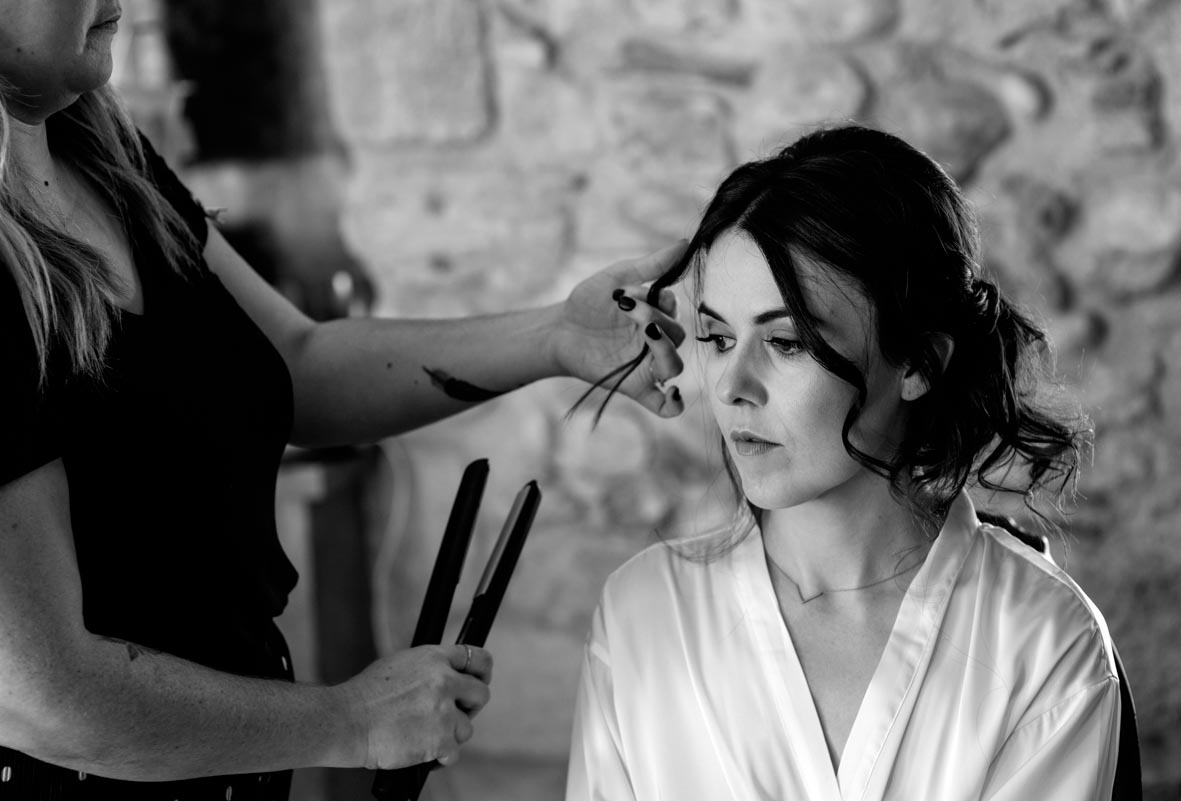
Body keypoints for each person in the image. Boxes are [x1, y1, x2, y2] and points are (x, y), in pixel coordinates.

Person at [0, 3, 687, 798]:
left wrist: (556, 337)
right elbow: (40, 695)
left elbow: (294, 364)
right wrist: (353, 721)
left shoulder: (110, 162)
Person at [566, 124, 1121, 801]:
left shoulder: (1043, 640)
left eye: (787, 343)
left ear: (917, 361)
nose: (731, 385)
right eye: (716, 337)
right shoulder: (643, 615)